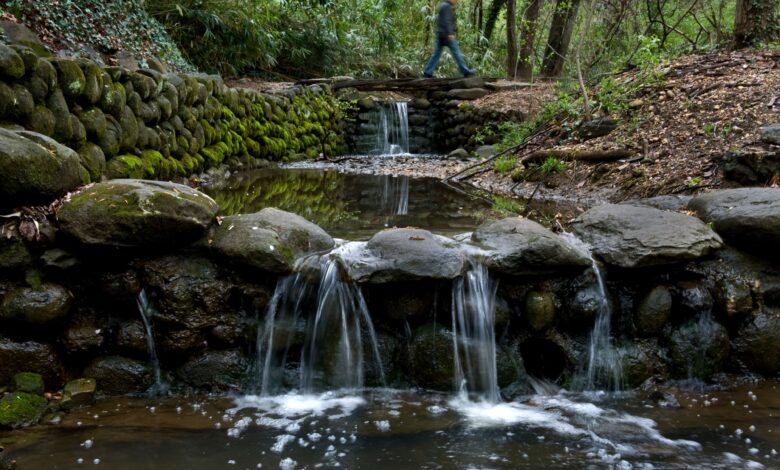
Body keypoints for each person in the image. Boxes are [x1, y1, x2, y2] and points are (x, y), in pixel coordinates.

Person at [423, 0, 475, 78]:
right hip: (447, 35)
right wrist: (450, 33)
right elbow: (447, 21)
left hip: (441, 34)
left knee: (436, 54)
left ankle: (427, 72)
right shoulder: (446, 6)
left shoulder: (443, 5)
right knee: (456, 52)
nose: (456, 1)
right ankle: (465, 71)